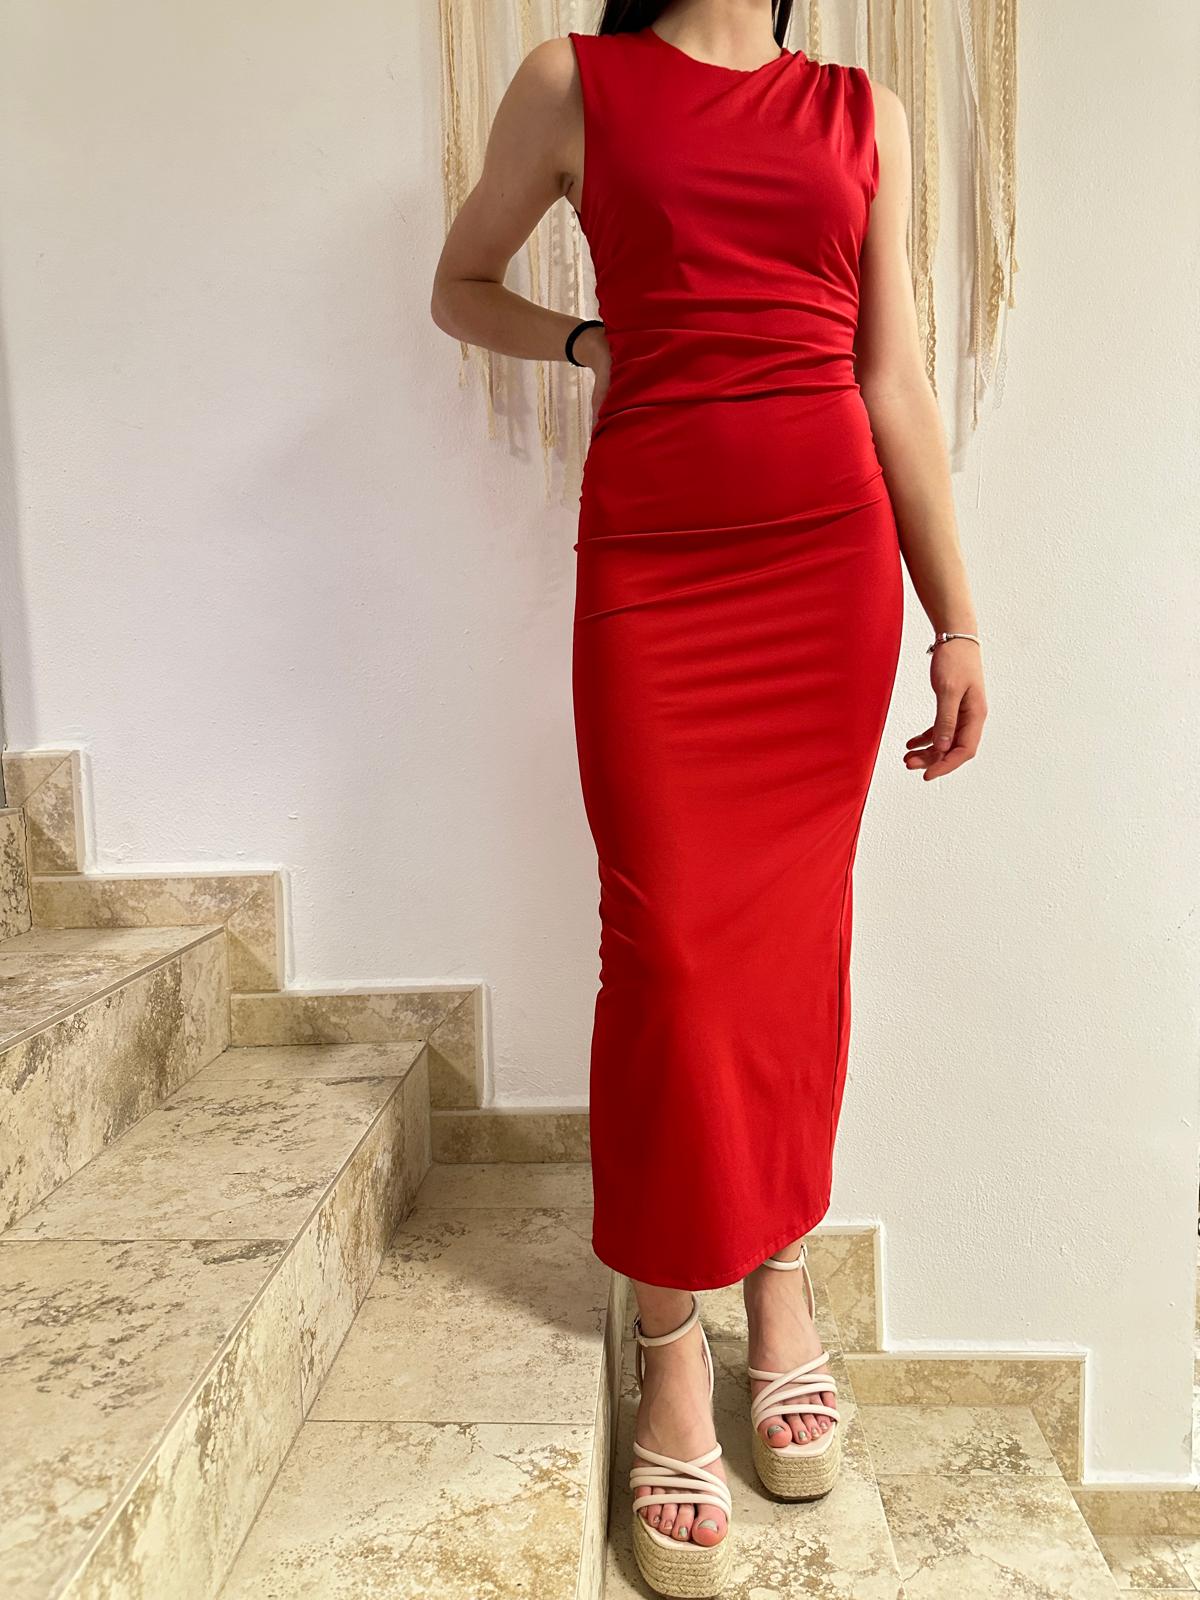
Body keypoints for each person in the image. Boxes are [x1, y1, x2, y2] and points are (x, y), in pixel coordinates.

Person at [431, 2, 987, 1593]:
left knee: (795, 948)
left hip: (826, 573)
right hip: (658, 568)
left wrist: (954, 619)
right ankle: (669, 1331)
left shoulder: (861, 113)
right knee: (669, 953)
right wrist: (587, 341)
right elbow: (459, 286)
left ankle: (780, 1279)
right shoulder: (573, 83)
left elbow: (893, 378)